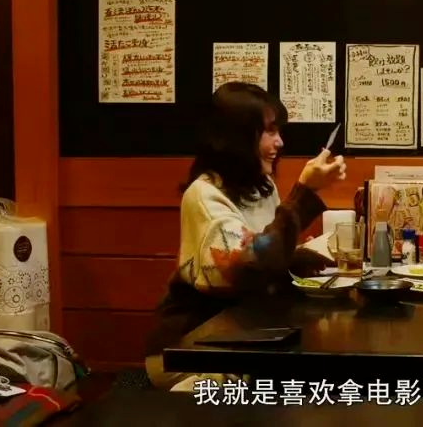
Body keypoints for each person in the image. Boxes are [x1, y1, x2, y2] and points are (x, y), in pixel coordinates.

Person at [144, 82, 346, 390]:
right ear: (236, 137)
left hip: (246, 335)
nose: (279, 142)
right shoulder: (204, 194)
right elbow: (249, 265)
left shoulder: (261, 187)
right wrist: (304, 192)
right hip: (190, 347)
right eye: (269, 131)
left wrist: (295, 257)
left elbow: (269, 253)